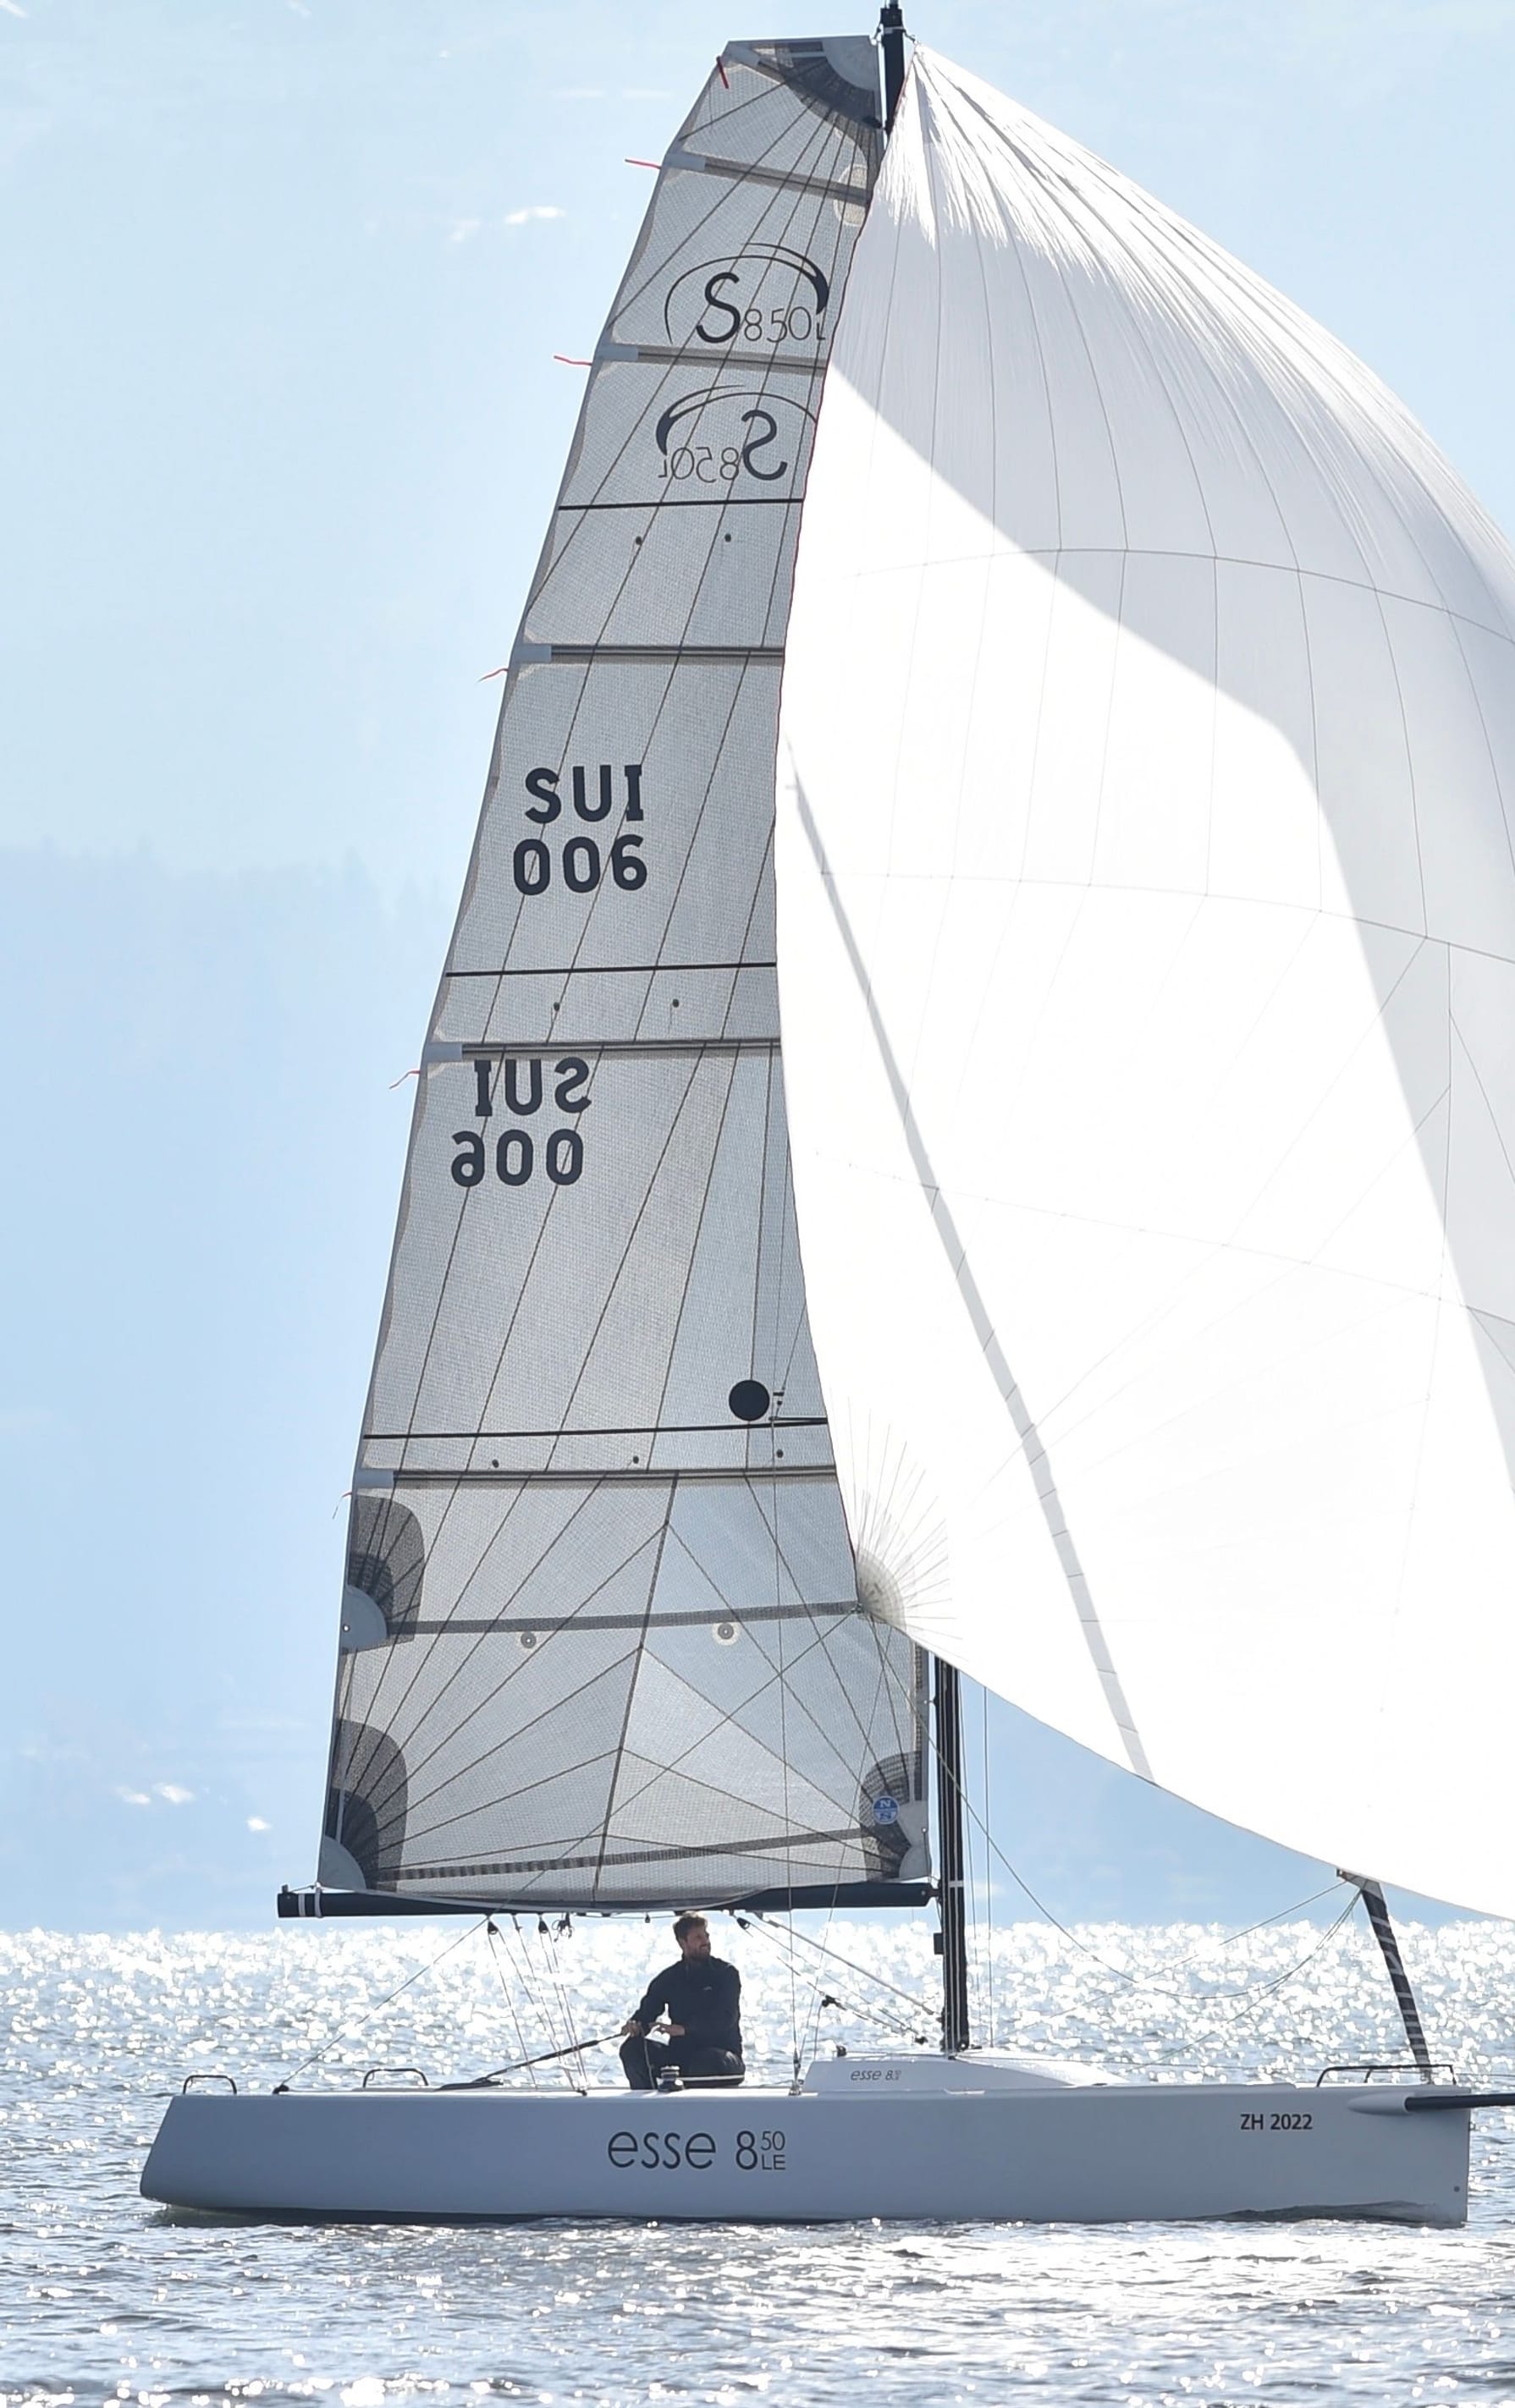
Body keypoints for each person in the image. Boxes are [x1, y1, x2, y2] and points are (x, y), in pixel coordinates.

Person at [620, 1911, 745, 2089]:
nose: (706, 1941)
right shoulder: (669, 1978)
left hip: (723, 2058)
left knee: (706, 2061)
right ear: (682, 1942)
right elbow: (647, 2013)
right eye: (698, 1937)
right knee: (632, 2050)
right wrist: (635, 2025)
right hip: (682, 2058)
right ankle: (647, 2106)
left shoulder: (726, 1974)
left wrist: (685, 2030)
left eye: (706, 1935)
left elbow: (725, 2019)